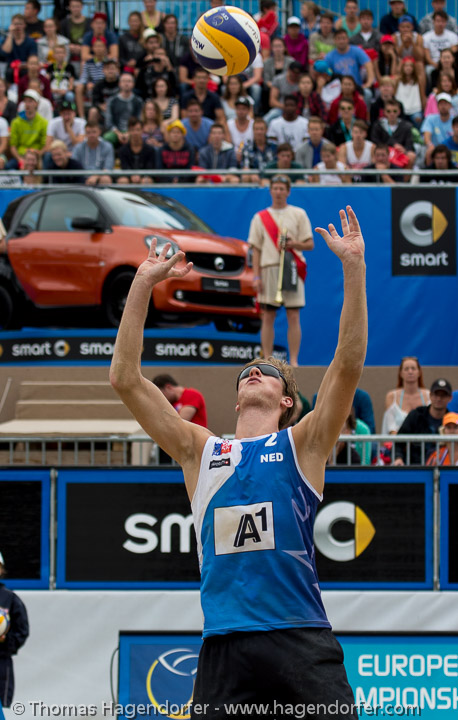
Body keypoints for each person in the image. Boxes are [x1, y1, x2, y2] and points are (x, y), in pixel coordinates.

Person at [110, 203, 366, 720]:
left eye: (267, 371)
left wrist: (354, 268)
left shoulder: (303, 444)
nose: (253, 371)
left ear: (286, 400)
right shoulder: (201, 450)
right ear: (235, 401)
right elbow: (125, 379)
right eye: (247, 371)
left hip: (298, 636)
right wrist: (142, 283)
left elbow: (348, 361)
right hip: (225, 644)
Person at [247, 174, 314, 365]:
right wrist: (256, 276)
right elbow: (256, 250)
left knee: (293, 315)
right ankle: (267, 358)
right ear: (270, 191)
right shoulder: (259, 218)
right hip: (269, 269)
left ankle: (294, 360)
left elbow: (310, 244)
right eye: (275, 188)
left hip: (292, 268)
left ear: (288, 191)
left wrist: (293, 244)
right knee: (268, 315)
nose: (278, 192)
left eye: (282, 189)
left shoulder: (299, 214)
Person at [394, 377, 452, 465]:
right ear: (430, 395)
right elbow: (399, 441)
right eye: (436, 394)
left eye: (443, 395)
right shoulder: (416, 415)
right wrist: (398, 458)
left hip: (442, 467)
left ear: (450, 398)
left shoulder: (452, 421)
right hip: (415, 466)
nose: (439, 398)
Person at [0, 551, 29, 709]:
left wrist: (6, 640)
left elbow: (22, 630)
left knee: (1, 706)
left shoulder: (9, 598)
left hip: (1, 661)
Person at [325, 28, 375, 104]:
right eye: (338, 39)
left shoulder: (356, 50)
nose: (341, 41)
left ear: (347, 39)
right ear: (334, 40)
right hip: (339, 88)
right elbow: (327, 73)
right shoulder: (329, 56)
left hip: (357, 87)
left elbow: (368, 65)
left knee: (368, 93)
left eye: (343, 38)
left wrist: (369, 83)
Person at [382, 356, 430, 435]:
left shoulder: (429, 395)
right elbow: (391, 428)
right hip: (398, 441)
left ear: (419, 372)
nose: (410, 372)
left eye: (413, 368)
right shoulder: (391, 397)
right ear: (400, 373)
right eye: (406, 369)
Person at [370, 98, 416, 168]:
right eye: (388, 111)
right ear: (384, 112)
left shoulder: (406, 126)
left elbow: (409, 144)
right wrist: (392, 146)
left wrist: (403, 149)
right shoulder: (378, 125)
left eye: (395, 111)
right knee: (373, 150)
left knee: (411, 155)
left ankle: (404, 175)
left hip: (400, 155)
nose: (392, 114)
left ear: (399, 112)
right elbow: (375, 141)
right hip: (383, 154)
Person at [8, 89, 48, 169]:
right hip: (21, 155)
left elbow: (45, 145)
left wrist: (36, 156)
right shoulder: (16, 122)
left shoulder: (44, 122)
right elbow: (13, 146)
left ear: (37, 104)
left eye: (30, 101)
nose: (27, 104)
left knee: (47, 161)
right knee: (9, 167)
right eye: (25, 101)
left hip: (37, 156)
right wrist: (20, 159)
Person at [104, 73, 143, 146]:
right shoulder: (112, 101)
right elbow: (109, 122)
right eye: (124, 81)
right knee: (107, 138)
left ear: (133, 84)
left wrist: (129, 133)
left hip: (133, 131)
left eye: (129, 81)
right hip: (116, 131)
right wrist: (118, 133)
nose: (126, 84)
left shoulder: (138, 101)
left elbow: (139, 119)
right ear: (119, 84)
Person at [117, 116, 156, 184]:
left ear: (142, 130)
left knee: (146, 181)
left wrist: (140, 176)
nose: (135, 133)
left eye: (138, 130)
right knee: (122, 181)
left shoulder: (150, 150)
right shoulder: (123, 150)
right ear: (128, 131)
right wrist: (131, 176)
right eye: (132, 130)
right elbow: (124, 167)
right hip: (128, 177)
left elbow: (150, 168)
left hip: (144, 177)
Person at [240, 117, 277, 183]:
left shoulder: (274, 146)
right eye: (256, 129)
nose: (259, 132)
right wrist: (252, 174)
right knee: (246, 176)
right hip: (254, 177)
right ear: (253, 130)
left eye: (261, 129)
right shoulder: (247, 147)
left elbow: (278, 165)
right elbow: (246, 166)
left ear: (266, 130)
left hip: (272, 176)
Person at [157, 119, 195, 183]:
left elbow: (190, 169)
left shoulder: (190, 149)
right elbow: (159, 169)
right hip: (165, 183)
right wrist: (170, 180)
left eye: (178, 132)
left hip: (185, 183)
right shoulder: (162, 149)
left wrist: (180, 180)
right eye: (173, 132)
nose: (175, 134)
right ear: (169, 134)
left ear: (183, 134)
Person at [421, 91, 455, 163]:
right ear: (437, 105)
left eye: (445, 104)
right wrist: (430, 145)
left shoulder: (455, 120)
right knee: (429, 151)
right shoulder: (430, 118)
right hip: (435, 150)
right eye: (441, 104)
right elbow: (426, 135)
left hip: (451, 149)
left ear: (450, 105)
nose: (443, 106)